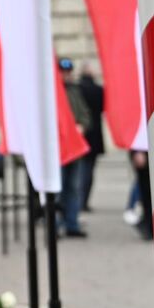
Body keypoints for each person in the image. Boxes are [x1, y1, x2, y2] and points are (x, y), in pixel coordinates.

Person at [59, 57, 91, 238]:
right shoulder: (53, 93)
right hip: (59, 150)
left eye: (68, 71)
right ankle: (56, 223)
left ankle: (72, 223)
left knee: (72, 188)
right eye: (63, 71)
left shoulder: (75, 91)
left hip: (74, 149)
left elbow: (86, 115)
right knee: (58, 189)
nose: (66, 75)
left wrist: (81, 126)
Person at [78, 64, 105, 212]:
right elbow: (103, 107)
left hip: (80, 135)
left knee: (82, 170)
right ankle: (84, 201)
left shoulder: (77, 89)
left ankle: (80, 201)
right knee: (88, 170)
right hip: (94, 136)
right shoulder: (98, 89)